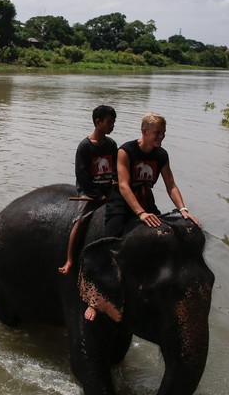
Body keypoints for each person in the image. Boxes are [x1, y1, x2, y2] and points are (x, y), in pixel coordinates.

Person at [86, 112, 201, 324]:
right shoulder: (126, 151)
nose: (161, 137)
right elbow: (123, 185)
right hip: (121, 200)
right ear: (144, 131)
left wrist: (183, 209)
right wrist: (140, 213)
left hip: (144, 199)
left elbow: (170, 185)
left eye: (163, 133)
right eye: (157, 133)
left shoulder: (161, 155)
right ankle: (95, 296)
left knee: (164, 236)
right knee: (111, 241)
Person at [58, 105, 118, 276]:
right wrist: (97, 195)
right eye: (109, 122)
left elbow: (115, 170)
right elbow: (82, 175)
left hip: (108, 190)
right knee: (81, 221)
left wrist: (113, 189)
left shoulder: (112, 145)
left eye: (114, 122)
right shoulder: (84, 147)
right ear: (98, 123)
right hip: (89, 193)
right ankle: (69, 259)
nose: (112, 125)